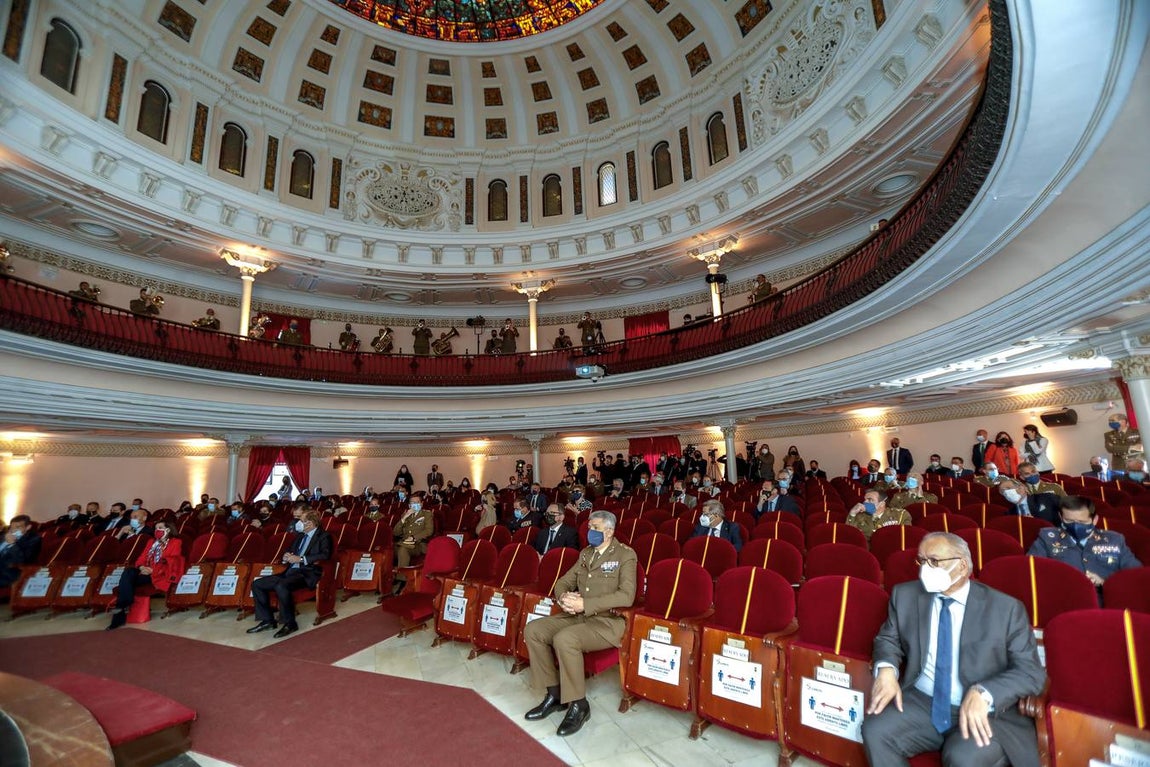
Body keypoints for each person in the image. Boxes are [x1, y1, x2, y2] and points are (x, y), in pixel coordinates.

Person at [863, 532, 1046, 767]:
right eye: (922, 560)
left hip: (987, 712)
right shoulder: (905, 595)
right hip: (922, 702)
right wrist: (887, 669)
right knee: (875, 729)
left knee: (962, 757)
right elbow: (888, 639)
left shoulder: (1005, 609)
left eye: (934, 561)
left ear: (961, 566)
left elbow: (1031, 672)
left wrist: (985, 692)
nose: (925, 569)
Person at [523, 511, 637, 737]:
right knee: (533, 630)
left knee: (565, 639)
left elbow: (627, 596)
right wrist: (564, 597)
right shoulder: (586, 553)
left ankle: (578, 705)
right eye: (589, 527)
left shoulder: (625, 555)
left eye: (595, 528)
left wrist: (585, 603)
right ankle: (555, 695)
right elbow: (564, 580)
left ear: (609, 531)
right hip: (577, 615)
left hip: (607, 622)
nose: (589, 532)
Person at [247, 511, 332, 638]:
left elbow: (325, 555)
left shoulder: (324, 536)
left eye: (301, 520)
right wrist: (286, 556)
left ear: (311, 523)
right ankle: (268, 621)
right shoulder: (300, 536)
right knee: (257, 584)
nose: (298, 523)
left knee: (282, 585)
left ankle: (290, 623)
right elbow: (288, 550)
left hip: (307, 573)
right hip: (290, 572)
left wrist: (301, 559)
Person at [1028, 495, 1140, 590]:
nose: (1075, 525)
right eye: (1069, 521)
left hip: (1105, 601)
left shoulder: (1114, 539)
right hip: (1063, 598)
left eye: (1082, 522)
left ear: (1095, 520)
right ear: (1060, 517)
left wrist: (1104, 583)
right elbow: (1031, 571)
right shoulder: (1047, 538)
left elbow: (1135, 575)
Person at [107, 520, 182, 630]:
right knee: (128, 572)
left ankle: (119, 613)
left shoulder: (175, 542)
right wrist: (142, 567)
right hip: (145, 571)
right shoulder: (151, 542)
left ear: (168, 529)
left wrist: (153, 570)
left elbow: (172, 561)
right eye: (156, 528)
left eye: (160, 527)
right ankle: (125, 603)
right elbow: (141, 558)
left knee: (127, 582)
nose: (157, 530)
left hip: (159, 574)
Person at [392, 496, 434, 574]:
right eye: (412, 503)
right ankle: (383, 578)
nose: (415, 504)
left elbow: (429, 531)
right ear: (409, 505)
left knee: (403, 549)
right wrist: (404, 518)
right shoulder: (406, 515)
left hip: (418, 544)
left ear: (421, 504)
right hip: (403, 542)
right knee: (386, 551)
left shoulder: (426, 514)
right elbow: (395, 532)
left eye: (417, 502)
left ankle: (401, 578)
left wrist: (413, 538)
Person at [0, 515, 42, 587]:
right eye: (11, 528)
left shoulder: (33, 539)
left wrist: (12, 544)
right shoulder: (3, 536)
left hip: (9, 573)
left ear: (28, 527)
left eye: (18, 527)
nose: (13, 531)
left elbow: (23, 561)